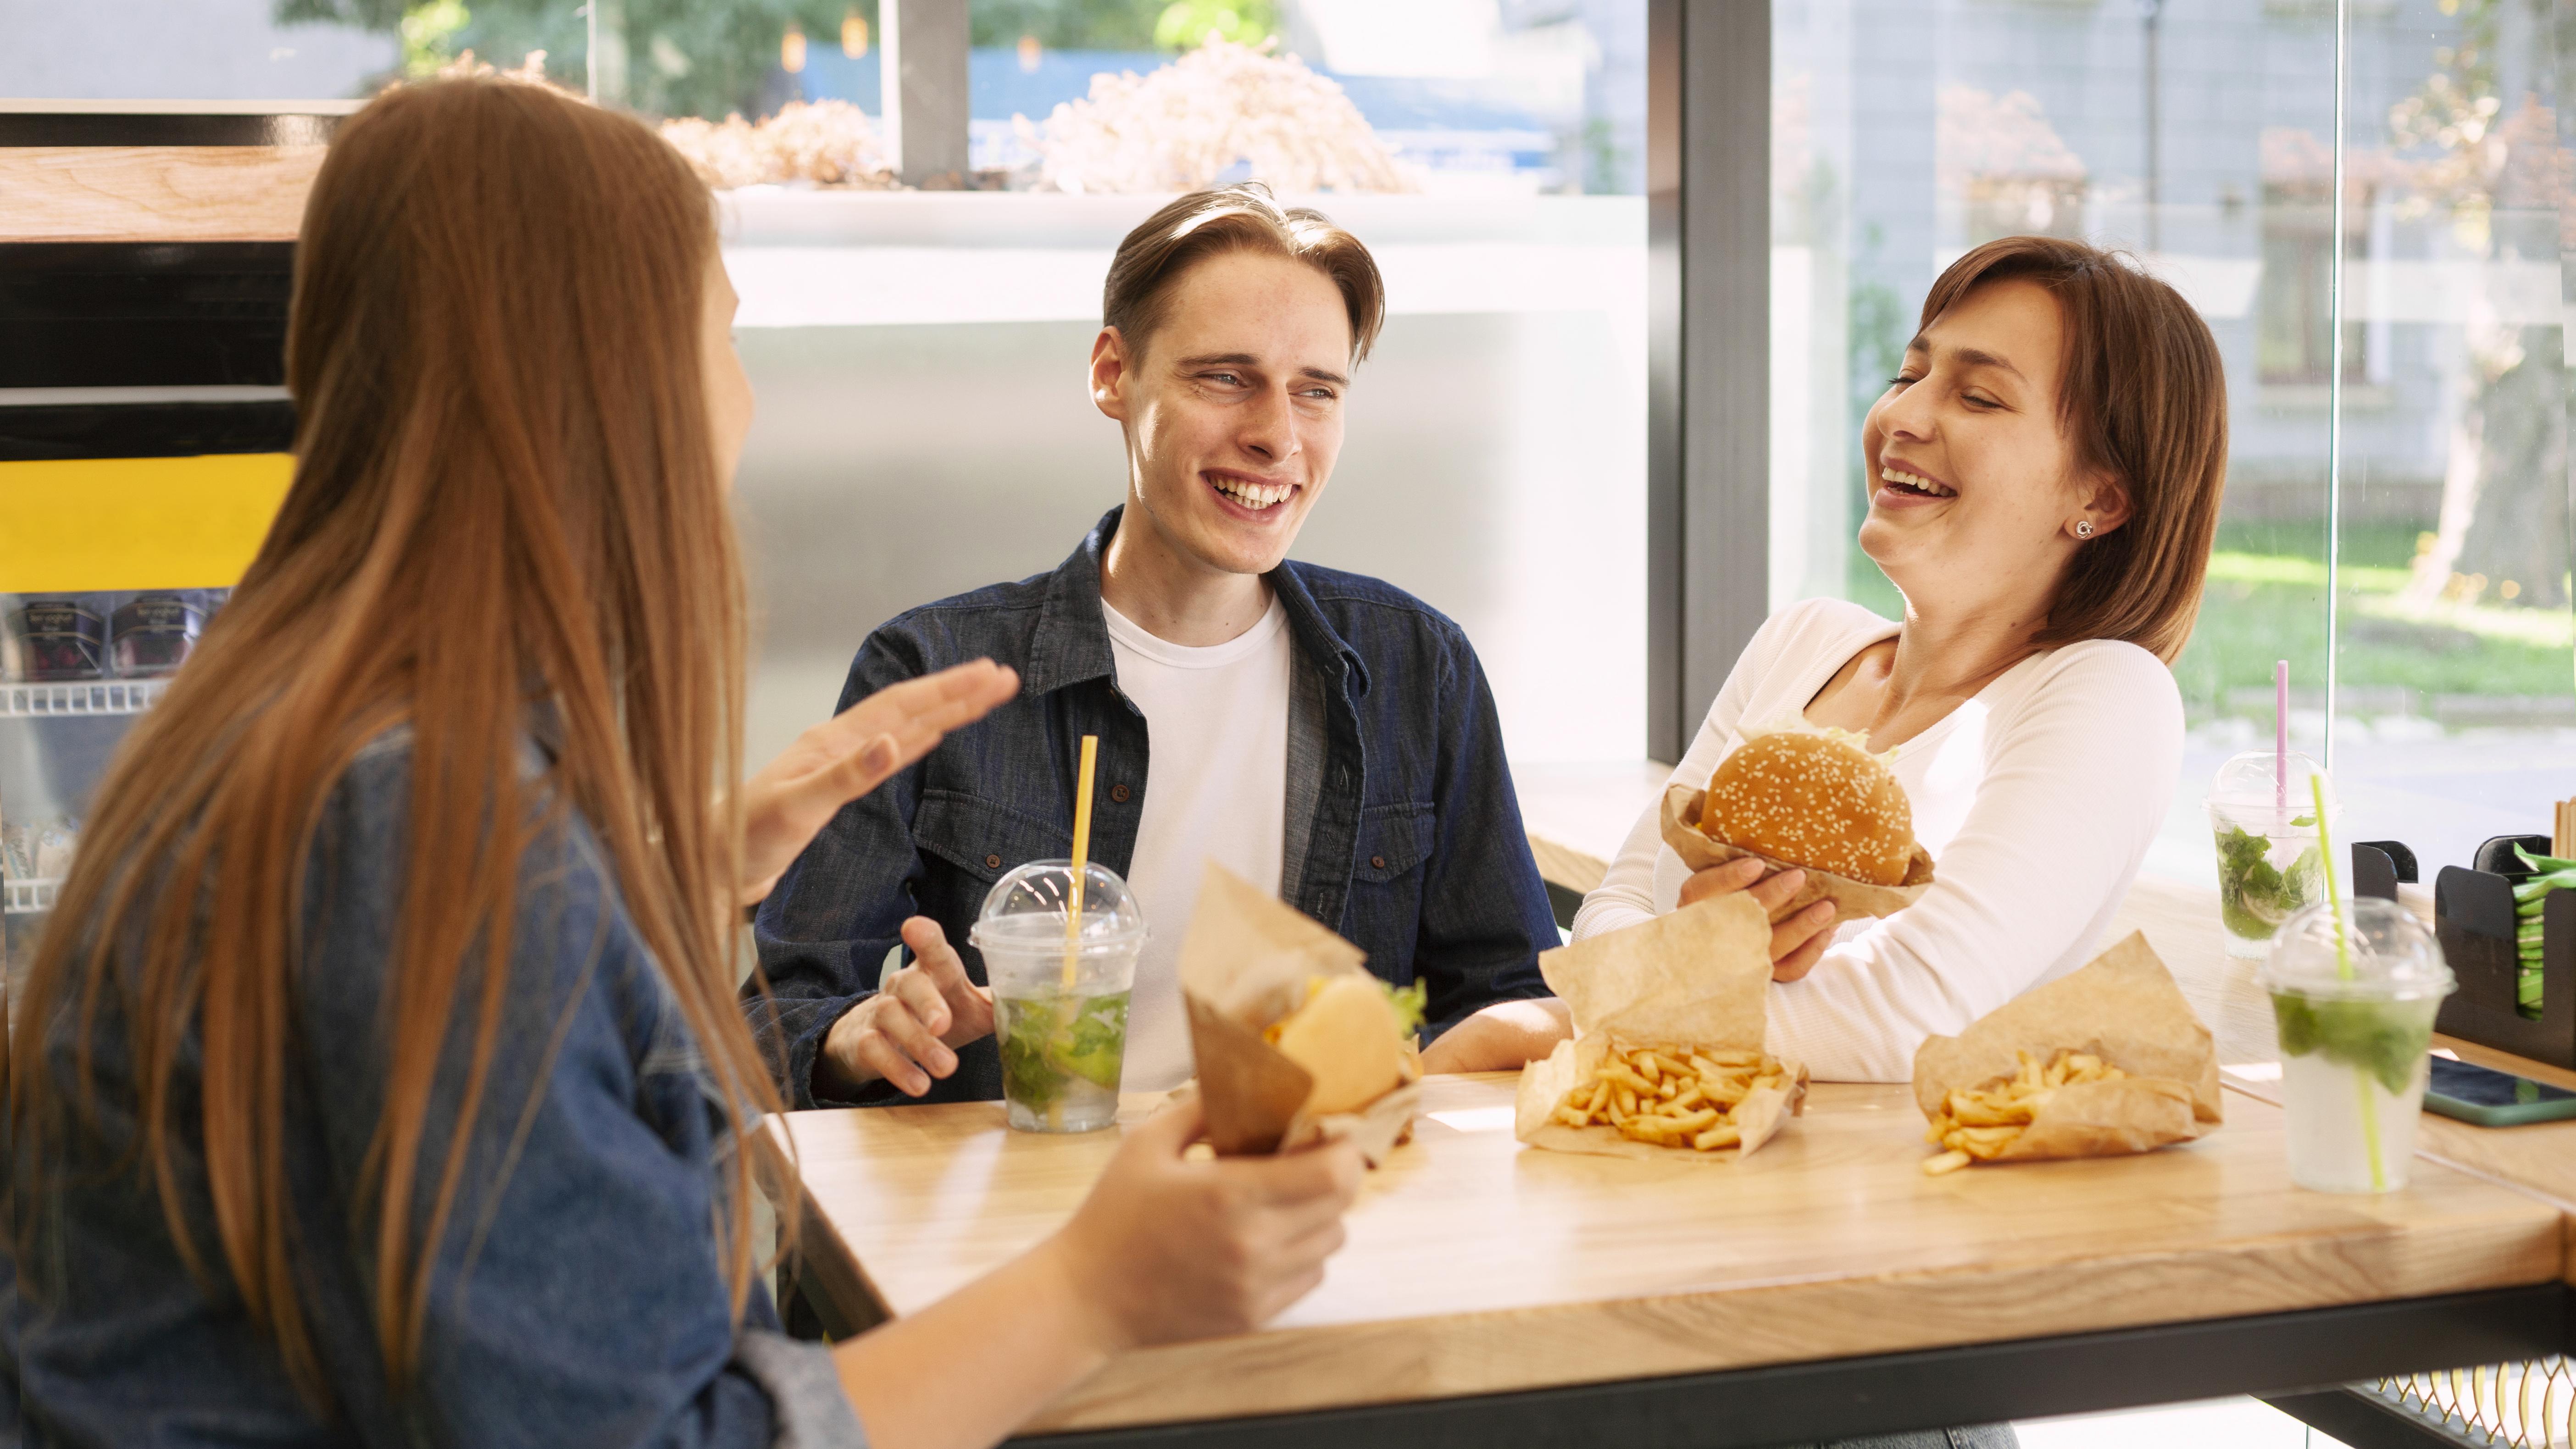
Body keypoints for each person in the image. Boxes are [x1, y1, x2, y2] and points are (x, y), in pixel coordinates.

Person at [3, 78, 1361, 1449]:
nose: (745, 400)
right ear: (616, 379)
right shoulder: (426, 819)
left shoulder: (313, 720)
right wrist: (1096, 1288)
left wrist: (668, 881)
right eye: (724, 334)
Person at [750, 183, 1559, 1110]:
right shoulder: (933, 667)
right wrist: (860, 1035)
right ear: (1112, 374)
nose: (1276, 436)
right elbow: (776, 1018)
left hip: (1319, 1217)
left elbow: (1511, 998)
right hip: (1023, 1225)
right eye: (1225, 377)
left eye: (1317, 391)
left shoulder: (1421, 667)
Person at [1435, 234, 2226, 1085]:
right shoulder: (1803, 644)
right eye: (1908, 374)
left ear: (2100, 497)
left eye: (1981, 397)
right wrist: (1690, 951)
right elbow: (1616, 905)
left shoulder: (2106, 695)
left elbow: (1909, 1014)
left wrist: (1552, 1022)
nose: (1904, 418)